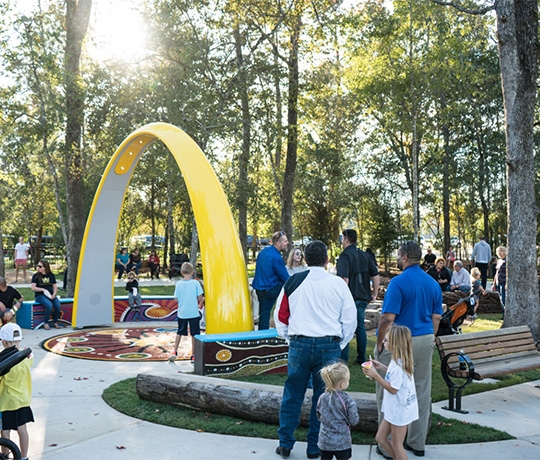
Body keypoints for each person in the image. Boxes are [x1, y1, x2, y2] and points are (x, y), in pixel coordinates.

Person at [273, 240, 357, 459]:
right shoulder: (338, 284)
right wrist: (340, 343)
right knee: (325, 397)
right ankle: (314, 447)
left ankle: (285, 443)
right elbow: (350, 319)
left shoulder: (293, 281)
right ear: (327, 260)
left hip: (299, 344)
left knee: (292, 394)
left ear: (307, 259)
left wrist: (289, 338)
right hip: (328, 345)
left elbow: (280, 315)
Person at [374, 241, 442, 458]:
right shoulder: (433, 283)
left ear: (404, 257)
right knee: (420, 389)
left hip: (400, 341)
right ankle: (416, 442)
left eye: (397, 254)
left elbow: (387, 318)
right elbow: (437, 316)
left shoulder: (398, 282)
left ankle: (390, 444)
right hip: (425, 338)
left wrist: (379, 341)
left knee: (388, 388)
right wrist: (431, 336)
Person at [364, 325, 419, 460]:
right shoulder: (397, 361)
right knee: (380, 438)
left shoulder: (399, 366)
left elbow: (394, 389)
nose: (383, 342)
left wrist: (376, 375)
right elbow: (395, 378)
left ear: (395, 343)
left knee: (396, 444)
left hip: (399, 411)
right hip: (393, 409)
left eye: (387, 340)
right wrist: (381, 367)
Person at [337, 229, 380, 364]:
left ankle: (343, 358)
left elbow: (344, 279)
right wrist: (374, 294)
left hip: (350, 298)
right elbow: (376, 275)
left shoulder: (345, 256)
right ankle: (361, 357)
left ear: (346, 239)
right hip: (363, 297)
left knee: (345, 326)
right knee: (360, 327)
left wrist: (340, 297)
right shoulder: (364, 255)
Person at [0, 323, 34, 460]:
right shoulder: (26, 357)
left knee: (5, 431)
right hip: (23, 400)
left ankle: (5, 456)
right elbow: (30, 360)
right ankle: (24, 457)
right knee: (22, 429)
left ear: (3, 341)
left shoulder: (3, 362)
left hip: (7, 402)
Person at [317, 362, 359, 460]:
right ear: (341, 385)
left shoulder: (322, 397)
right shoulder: (348, 400)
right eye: (347, 380)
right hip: (342, 442)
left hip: (325, 441)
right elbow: (353, 420)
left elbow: (319, 414)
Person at [252, 231, 290, 330]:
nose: (288, 243)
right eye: (285, 241)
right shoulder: (277, 258)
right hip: (269, 290)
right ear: (278, 243)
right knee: (265, 312)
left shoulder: (264, 252)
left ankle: (262, 334)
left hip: (259, 288)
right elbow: (286, 278)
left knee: (264, 312)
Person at [169, 262, 204, 362]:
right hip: (193, 313)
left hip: (182, 313)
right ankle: (193, 355)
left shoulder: (179, 284)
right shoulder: (195, 283)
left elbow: (175, 299)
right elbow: (199, 297)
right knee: (195, 334)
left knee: (179, 332)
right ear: (192, 272)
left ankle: (174, 351)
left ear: (181, 272)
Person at [30, 260, 62, 330]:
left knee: (58, 305)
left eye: (40, 266)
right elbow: (33, 288)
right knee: (49, 305)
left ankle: (55, 322)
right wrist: (43, 290)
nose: (38, 268)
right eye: (37, 266)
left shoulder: (51, 275)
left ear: (45, 267)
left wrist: (54, 294)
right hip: (40, 296)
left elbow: (54, 286)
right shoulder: (36, 276)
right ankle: (46, 323)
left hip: (50, 295)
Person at [492, 246, 507, 318]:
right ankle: (503, 314)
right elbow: (496, 273)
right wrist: (494, 284)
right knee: (501, 299)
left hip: (504, 282)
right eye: (498, 251)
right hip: (499, 282)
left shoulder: (506, 261)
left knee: (504, 299)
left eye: (501, 251)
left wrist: (507, 283)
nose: (500, 252)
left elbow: (508, 273)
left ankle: (505, 315)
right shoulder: (499, 261)